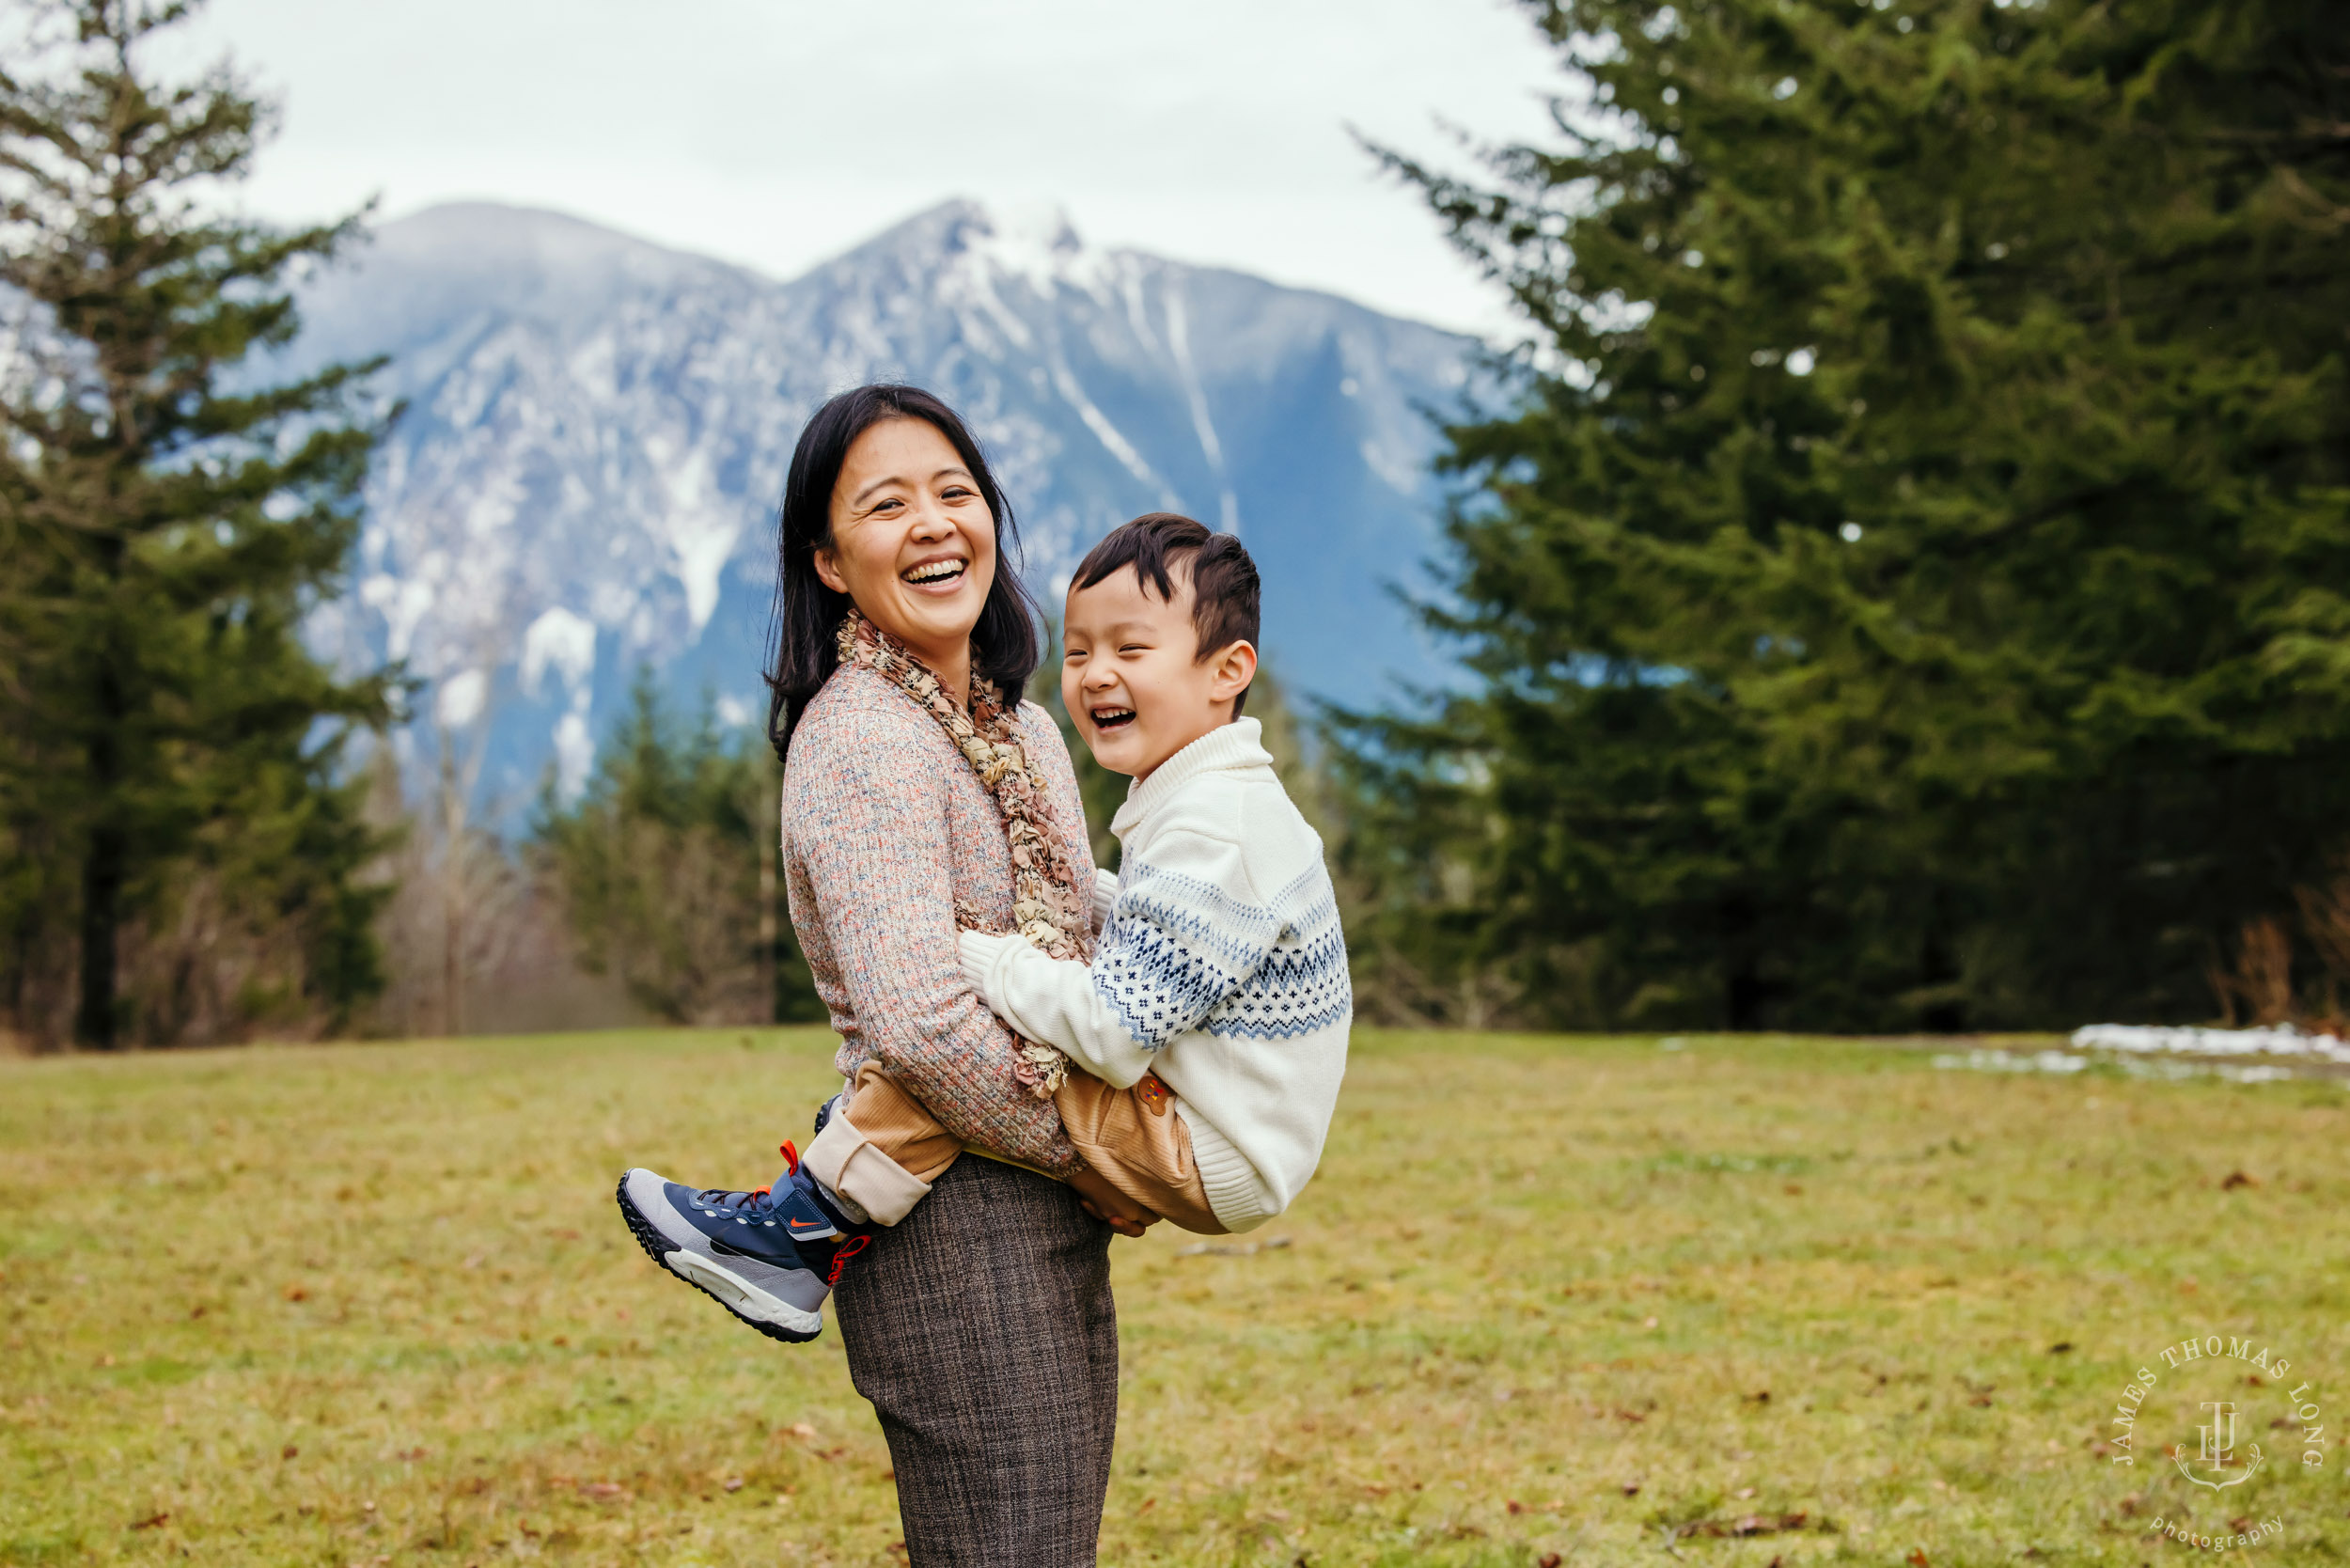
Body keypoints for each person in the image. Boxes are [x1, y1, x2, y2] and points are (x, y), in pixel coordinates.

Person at [616, 384, 1119, 1566]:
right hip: (955, 1231)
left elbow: (1079, 949)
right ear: (832, 564)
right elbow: (924, 1025)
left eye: (955, 492)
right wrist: (1110, 1156)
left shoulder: (1021, 730)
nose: (936, 524)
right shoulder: (860, 740)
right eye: (887, 505)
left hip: (1037, 1213)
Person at [799, 511, 1352, 1240]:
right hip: (1232, 1130)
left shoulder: (1214, 827)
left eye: (1131, 648)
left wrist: (980, 955)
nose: (1097, 675)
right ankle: (818, 1207)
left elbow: (1115, 1032)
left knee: (947, 1056)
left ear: (1228, 671)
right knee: (985, 1042)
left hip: (1212, 1146)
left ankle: (798, 1225)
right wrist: (1080, 891)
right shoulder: (1215, 797)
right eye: (1082, 650)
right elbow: (1183, 935)